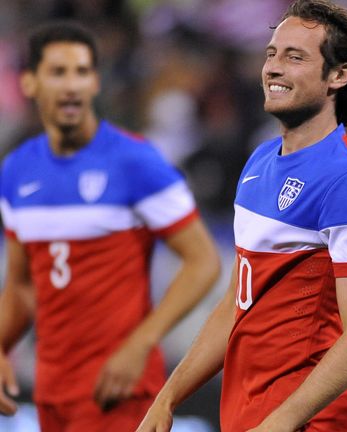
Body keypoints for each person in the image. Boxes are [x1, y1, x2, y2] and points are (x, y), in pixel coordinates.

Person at [136, 1, 347, 431]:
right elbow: (237, 301)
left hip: (309, 421)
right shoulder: (260, 160)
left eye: (295, 57)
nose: (273, 68)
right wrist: (168, 397)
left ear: (338, 75)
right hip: (246, 411)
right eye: (271, 54)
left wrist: (280, 422)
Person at [0, 21, 220, 431]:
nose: (72, 86)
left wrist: (140, 343)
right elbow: (22, 283)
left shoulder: (136, 162)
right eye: (58, 72)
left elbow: (203, 261)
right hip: (51, 388)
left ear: (96, 82)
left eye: (82, 72)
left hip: (118, 387)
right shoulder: (15, 171)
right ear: (29, 83)